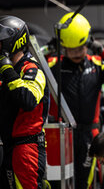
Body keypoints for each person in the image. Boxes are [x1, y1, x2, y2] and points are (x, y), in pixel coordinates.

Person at [47, 12, 104, 189]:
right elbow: (31, 62)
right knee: (57, 183)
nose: (76, 53)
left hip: (89, 135)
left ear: (87, 42)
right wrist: (48, 47)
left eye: (80, 47)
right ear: (63, 46)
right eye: (70, 49)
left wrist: (100, 50)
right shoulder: (52, 64)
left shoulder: (96, 63)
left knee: (84, 183)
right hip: (61, 134)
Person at [0, 15, 49, 189]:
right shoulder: (6, 72)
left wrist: (7, 71)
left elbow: (28, 100)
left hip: (27, 148)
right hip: (8, 148)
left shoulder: (32, 69)